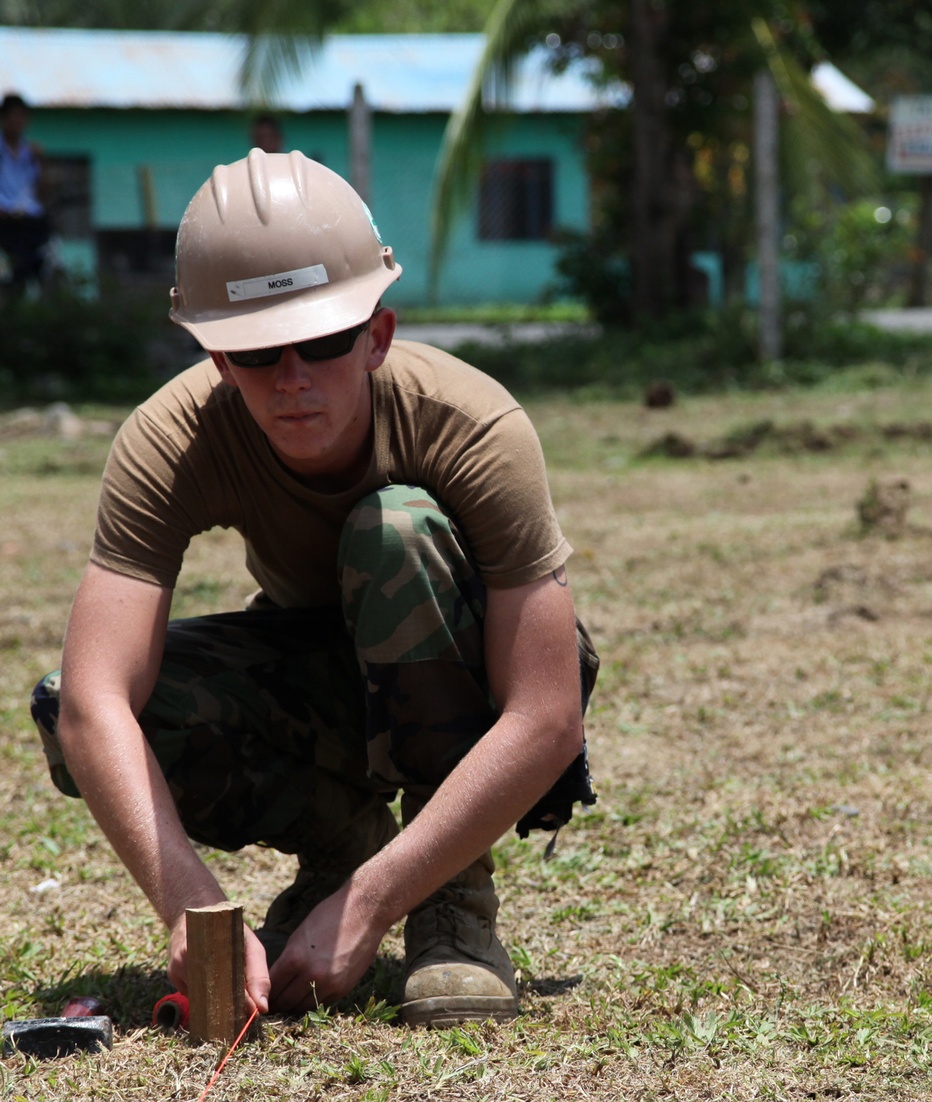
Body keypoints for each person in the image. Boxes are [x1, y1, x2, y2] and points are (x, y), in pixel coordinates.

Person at [30, 151, 597, 1026]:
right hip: (322, 675)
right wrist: (189, 907)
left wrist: (375, 906)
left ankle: (450, 907)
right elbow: (95, 702)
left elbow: (547, 713)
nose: (292, 376)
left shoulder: (471, 423)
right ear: (219, 356)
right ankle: (342, 844)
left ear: (376, 336)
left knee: (394, 529)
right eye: (257, 350)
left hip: (469, 680)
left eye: (326, 340)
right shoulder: (170, 441)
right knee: (64, 703)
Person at [0, 93, 50, 294]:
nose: (17, 122)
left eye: (21, 117)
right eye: (13, 116)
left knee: (38, 259)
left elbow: (42, 191)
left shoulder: (29, 152)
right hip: (4, 218)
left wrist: (41, 162)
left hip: (27, 218)